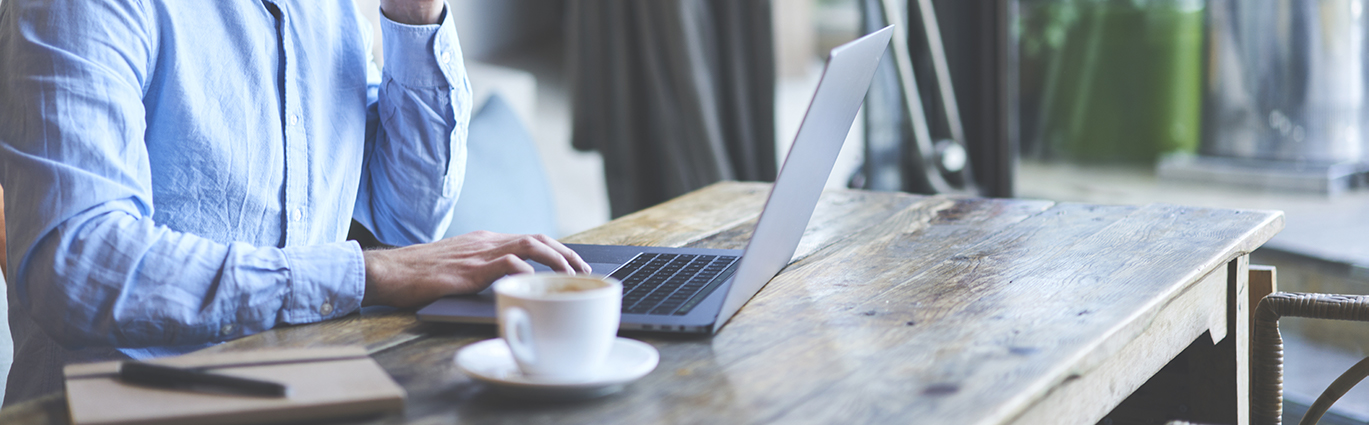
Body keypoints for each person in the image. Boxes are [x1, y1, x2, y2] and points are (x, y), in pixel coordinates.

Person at [0, 0, 590, 404]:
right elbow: (79, 264)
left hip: (309, 387)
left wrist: (414, 13)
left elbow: (403, 215)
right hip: (120, 403)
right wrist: (366, 274)